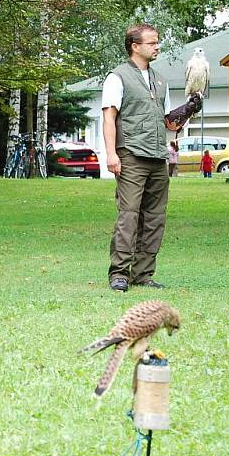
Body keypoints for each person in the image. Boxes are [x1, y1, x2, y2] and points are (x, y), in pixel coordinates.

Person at [102, 23, 177, 292]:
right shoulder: (117, 77)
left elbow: (169, 123)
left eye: (157, 42)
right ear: (135, 46)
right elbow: (109, 117)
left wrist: (188, 109)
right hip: (131, 154)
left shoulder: (161, 80)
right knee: (129, 215)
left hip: (158, 156)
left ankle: (143, 274)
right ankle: (119, 273)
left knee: (155, 217)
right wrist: (111, 154)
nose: (157, 47)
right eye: (152, 43)